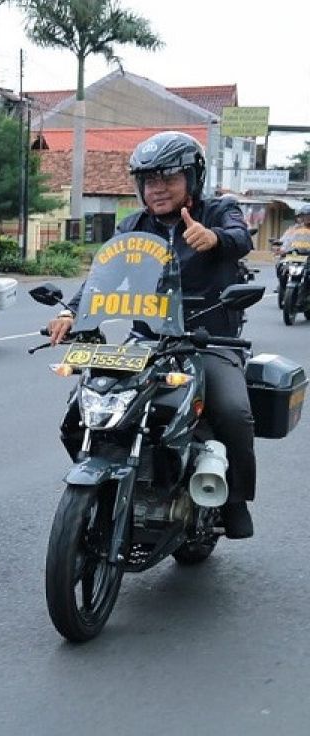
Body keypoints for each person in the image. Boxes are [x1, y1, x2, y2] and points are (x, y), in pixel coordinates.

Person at [47, 131, 256, 538]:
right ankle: (114, 481)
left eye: (168, 178)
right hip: (147, 342)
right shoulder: (134, 225)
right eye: (148, 180)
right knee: (84, 407)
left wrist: (214, 240)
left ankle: (235, 503)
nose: (157, 189)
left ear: (191, 179)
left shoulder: (219, 211)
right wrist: (72, 311)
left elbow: (240, 239)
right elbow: (104, 276)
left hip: (209, 341)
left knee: (234, 411)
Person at [274, 204, 310, 299]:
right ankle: (282, 287)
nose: (307, 218)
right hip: (294, 255)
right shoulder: (294, 229)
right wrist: (281, 249)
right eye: (305, 215)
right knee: (281, 267)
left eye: (309, 215)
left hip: (308, 258)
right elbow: (286, 241)